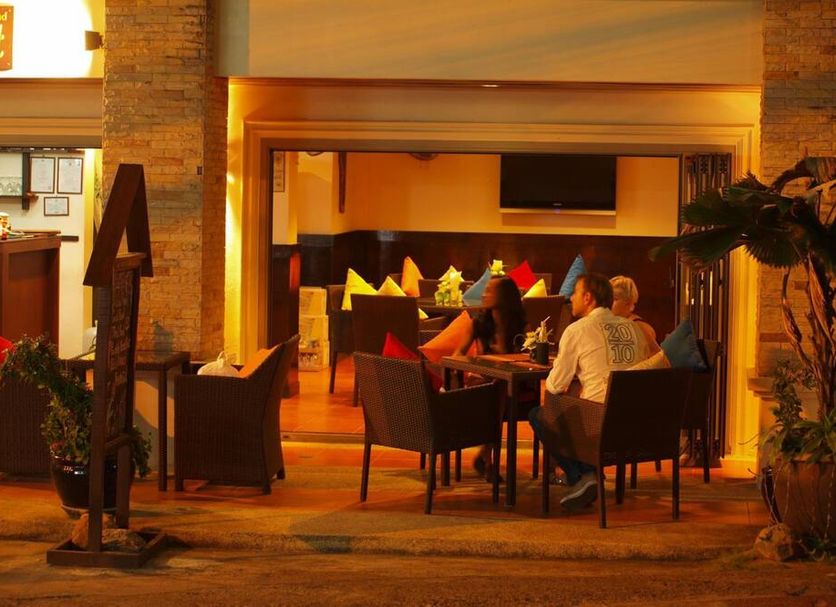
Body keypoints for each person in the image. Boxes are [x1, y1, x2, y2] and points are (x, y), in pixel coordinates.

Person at [530, 272, 651, 510]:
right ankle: (587, 475)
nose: (571, 298)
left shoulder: (577, 330)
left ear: (588, 298)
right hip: (637, 426)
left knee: (539, 414)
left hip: (599, 426)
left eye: (575, 293)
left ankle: (583, 476)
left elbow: (555, 385)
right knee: (577, 405)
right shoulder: (634, 329)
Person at [454, 275, 527, 481]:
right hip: (482, 384)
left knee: (498, 390)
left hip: (512, 387)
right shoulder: (477, 325)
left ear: (505, 296)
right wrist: (472, 365)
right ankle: (487, 460)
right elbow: (457, 354)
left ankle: (486, 457)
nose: (484, 294)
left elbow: (528, 358)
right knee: (495, 392)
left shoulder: (521, 328)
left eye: (490, 290)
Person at [610, 275, 661, 355]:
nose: (608, 303)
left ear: (628, 302)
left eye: (614, 299)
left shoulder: (639, 327)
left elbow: (659, 357)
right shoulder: (610, 324)